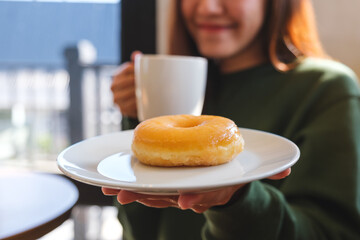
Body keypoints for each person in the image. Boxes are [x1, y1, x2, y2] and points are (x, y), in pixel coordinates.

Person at [104, 0, 360, 239]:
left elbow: (333, 232)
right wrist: (139, 115)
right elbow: (140, 232)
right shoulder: (182, 94)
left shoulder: (325, 89)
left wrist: (238, 200)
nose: (208, 7)